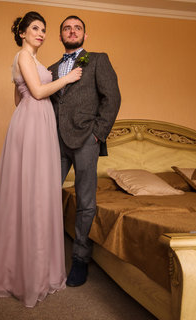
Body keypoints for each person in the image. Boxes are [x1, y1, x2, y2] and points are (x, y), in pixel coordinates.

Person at [0, 11, 82, 307]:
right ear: (22, 32)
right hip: (33, 123)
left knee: (36, 192)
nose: (41, 33)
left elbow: (18, 98)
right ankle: (20, 274)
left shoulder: (31, 61)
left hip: (35, 121)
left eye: (44, 29)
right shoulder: (22, 56)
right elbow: (35, 92)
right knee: (29, 192)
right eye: (35, 28)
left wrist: (33, 113)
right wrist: (68, 78)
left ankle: (35, 269)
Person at [48, 15, 121, 287]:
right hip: (55, 141)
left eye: (77, 28)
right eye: (67, 28)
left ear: (84, 35)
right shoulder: (51, 68)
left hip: (86, 139)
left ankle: (80, 259)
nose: (72, 31)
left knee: (86, 201)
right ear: (60, 36)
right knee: (44, 196)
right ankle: (42, 255)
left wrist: (97, 134)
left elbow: (112, 97)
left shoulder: (98, 60)